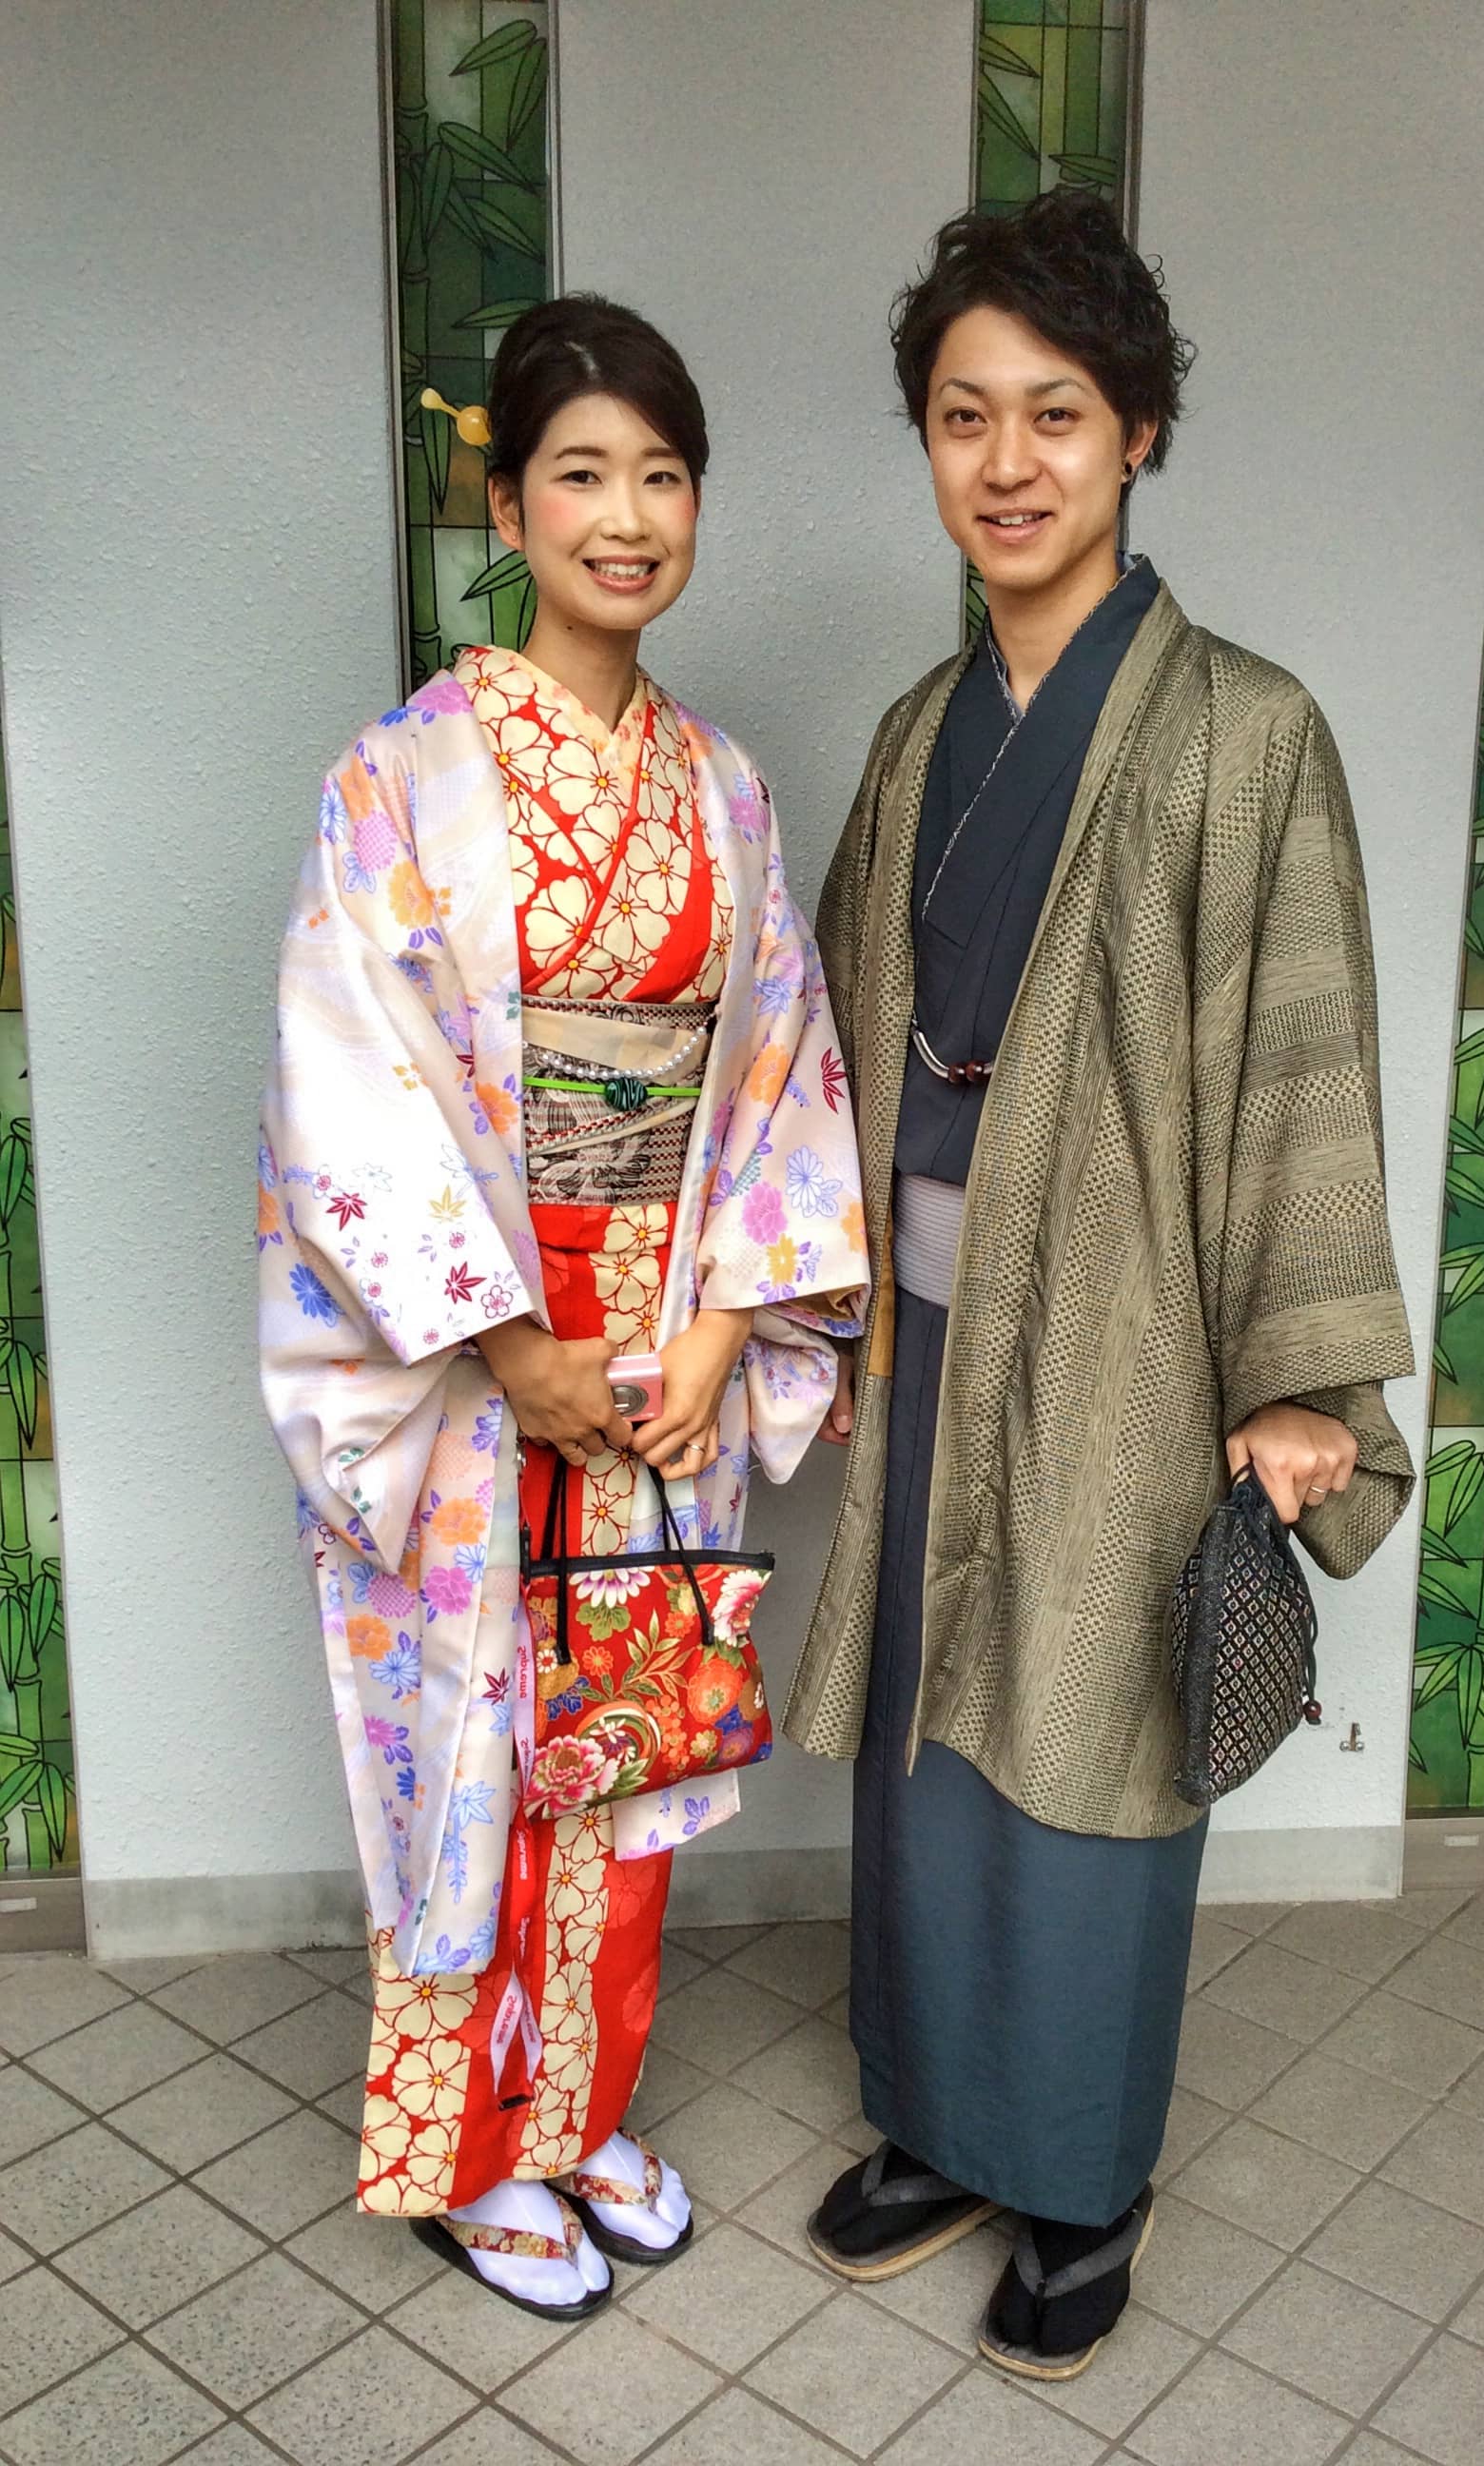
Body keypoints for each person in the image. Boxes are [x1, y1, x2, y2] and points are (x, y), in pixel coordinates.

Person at [788, 190, 1416, 2378]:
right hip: (928, 1322)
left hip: (1133, 1330)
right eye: (962, 416)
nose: (1006, 461)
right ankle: (936, 2123)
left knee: (1083, 1757)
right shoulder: (914, 734)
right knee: (927, 1749)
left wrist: (1301, 1371)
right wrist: (819, 1306)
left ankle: (1075, 2174)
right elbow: (826, 1042)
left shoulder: (1245, 731)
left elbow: (1302, 1057)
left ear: (1135, 430)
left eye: (1053, 412)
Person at [260, 296, 868, 2320]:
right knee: (471, 1738)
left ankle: (587, 2109)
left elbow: (775, 1066)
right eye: (581, 474)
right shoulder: (399, 780)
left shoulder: (725, 791)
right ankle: (468, 2152)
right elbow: (344, 1072)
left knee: (629, 1727)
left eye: (662, 476)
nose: (626, 517)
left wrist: (721, 1331)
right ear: (506, 506)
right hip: (477, 1355)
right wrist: (507, 1343)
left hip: (662, 1345)